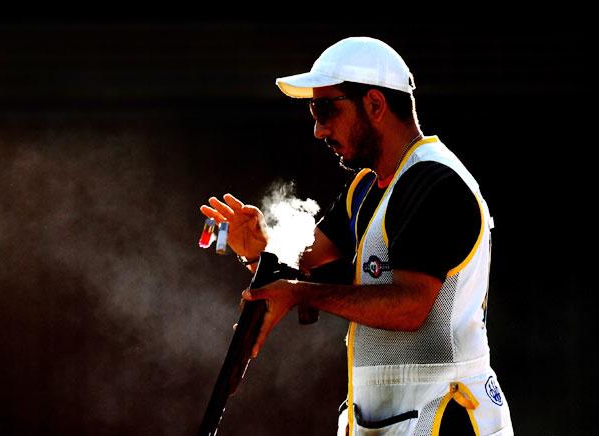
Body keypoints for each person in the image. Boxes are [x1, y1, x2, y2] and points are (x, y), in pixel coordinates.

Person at [200, 37, 513, 435]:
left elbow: (410, 307)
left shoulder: (435, 183)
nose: (318, 129)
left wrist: (299, 293)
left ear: (375, 105)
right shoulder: (366, 187)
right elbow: (309, 259)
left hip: (444, 419)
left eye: (325, 109)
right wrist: (259, 248)